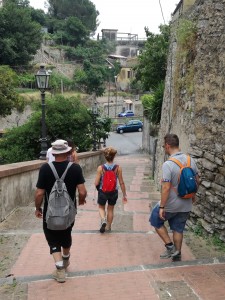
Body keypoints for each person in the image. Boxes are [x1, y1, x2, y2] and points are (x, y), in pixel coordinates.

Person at [35, 139, 87, 283]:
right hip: (69, 211)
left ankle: (60, 270)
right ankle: (66, 258)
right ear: (68, 152)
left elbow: (39, 193)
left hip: (50, 212)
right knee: (66, 233)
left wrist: (38, 208)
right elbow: (82, 191)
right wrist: (81, 200)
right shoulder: (75, 168)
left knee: (52, 237)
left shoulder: (45, 168)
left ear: (53, 152)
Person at [149, 133, 200, 261]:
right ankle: (177, 254)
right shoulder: (190, 160)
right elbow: (197, 179)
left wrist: (162, 206)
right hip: (186, 203)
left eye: (164, 146)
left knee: (155, 220)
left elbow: (166, 188)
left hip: (171, 204)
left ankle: (170, 247)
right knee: (178, 229)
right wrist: (193, 195)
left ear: (167, 146)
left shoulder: (168, 164)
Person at [94, 146, 127, 233]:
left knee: (101, 207)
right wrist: (124, 194)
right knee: (110, 209)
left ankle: (103, 219)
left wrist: (98, 188)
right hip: (113, 192)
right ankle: (108, 227)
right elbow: (121, 182)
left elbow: (96, 182)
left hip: (103, 191)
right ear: (114, 156)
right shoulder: (118, 168)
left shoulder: (100, 168)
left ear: (105, 156)